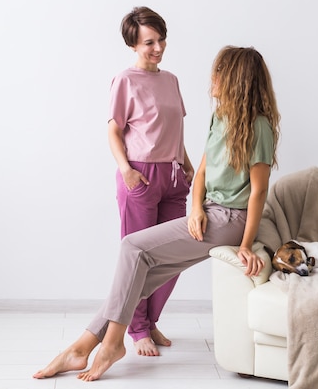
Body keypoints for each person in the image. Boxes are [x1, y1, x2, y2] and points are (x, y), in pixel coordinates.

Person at [33, 45, 281, 382]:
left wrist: (246, 243)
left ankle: (111, 344)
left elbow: (259, 192)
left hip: (231, 221)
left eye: (219, 72)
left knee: (132, 247)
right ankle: (81, 348)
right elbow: (204, 172)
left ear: (236, 78)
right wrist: (195, 208)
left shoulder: (259, 127)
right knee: (138, 281)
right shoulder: (220, 117)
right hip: (209, 212)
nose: (212, 79)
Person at [108, 6, 194, 357]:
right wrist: (127, 170)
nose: (157, 47)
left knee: (173, 258)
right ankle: (137, 328)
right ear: (133, 44)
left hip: (174, 176)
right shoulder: (125, 81)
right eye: (149, 42)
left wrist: (189, 167)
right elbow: (113, 130)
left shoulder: (171, 79)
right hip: (141, 174)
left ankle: (151, 319)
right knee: (139, 257)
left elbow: (176, 130)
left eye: (160, 39)